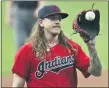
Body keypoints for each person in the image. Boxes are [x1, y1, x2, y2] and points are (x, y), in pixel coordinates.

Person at [11, 5, 102, 87]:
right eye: (52, 18)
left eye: (59, 19)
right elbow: (17, 85)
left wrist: (92, 47)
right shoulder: (26, 51)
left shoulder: (72, 47)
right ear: (41, 22)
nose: (57, 21)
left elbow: (96, 72)